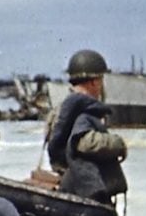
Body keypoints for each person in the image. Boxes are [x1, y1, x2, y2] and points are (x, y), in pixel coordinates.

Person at [47, 49, 127, 205]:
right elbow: (83, 142)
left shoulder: (61, 108)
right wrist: (118, 144)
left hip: (68, 182)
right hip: (83, 190)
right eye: (101, 79)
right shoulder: (82, 109)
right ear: (94, 82)